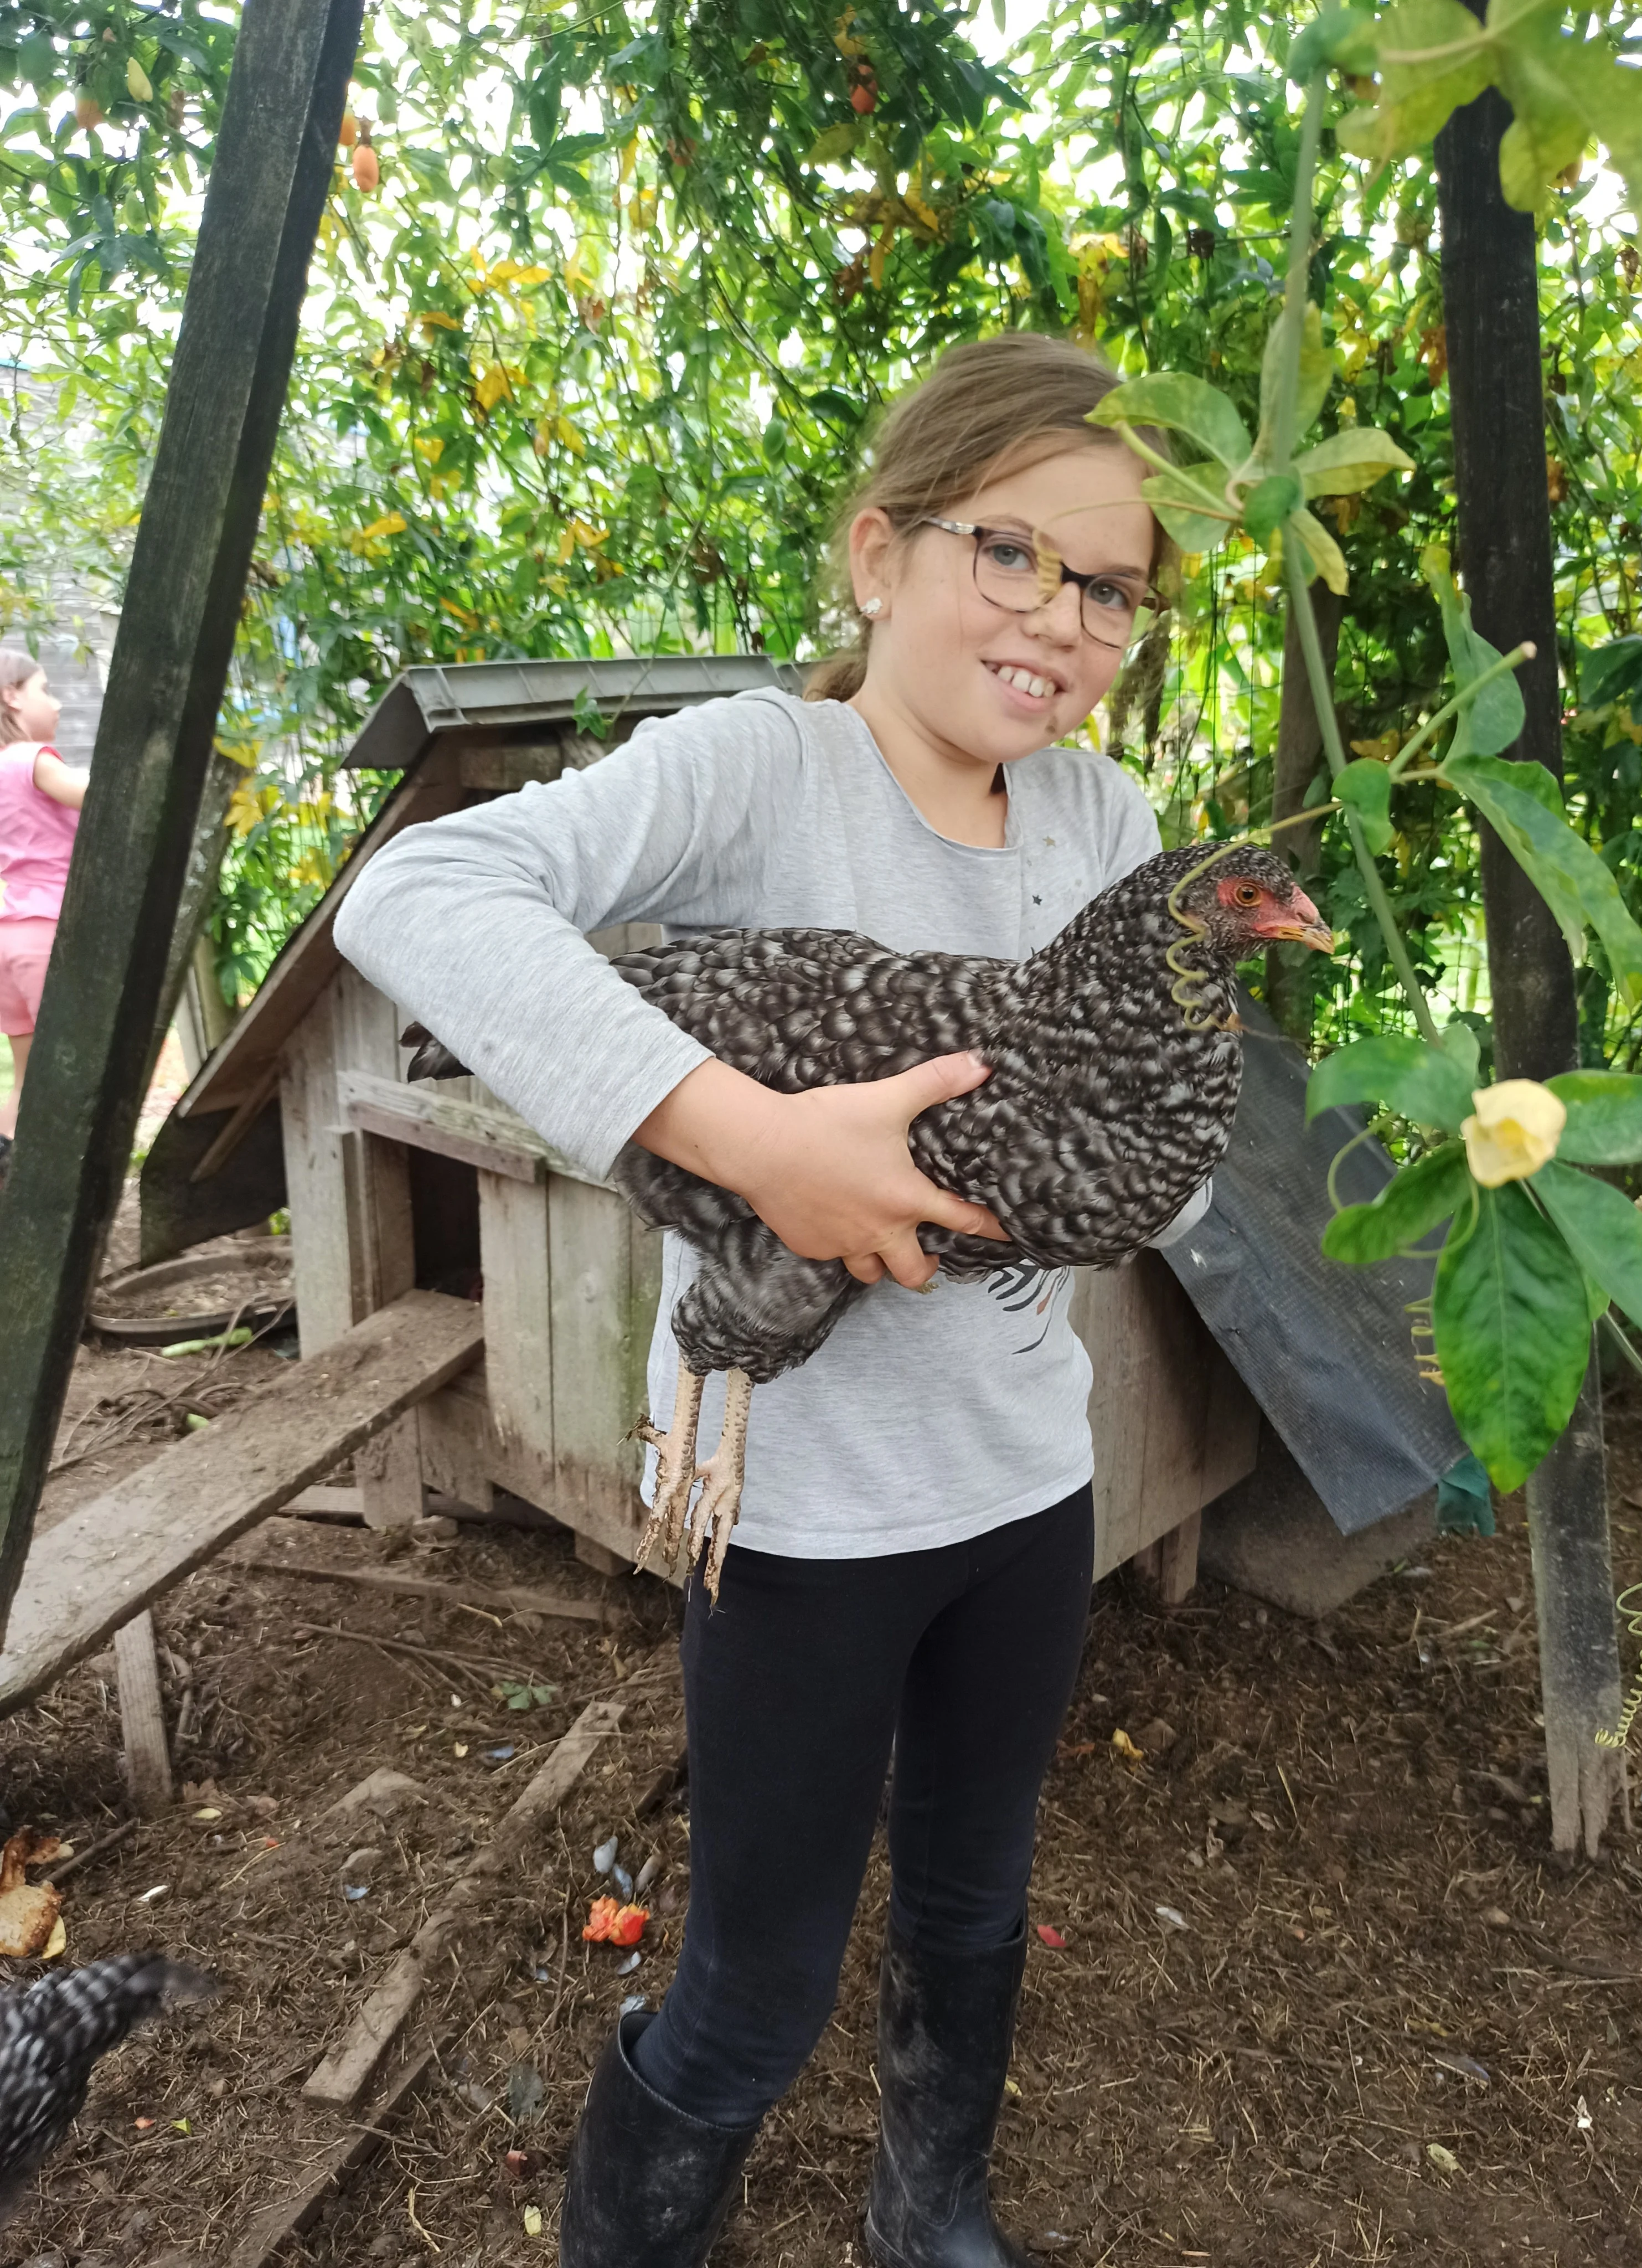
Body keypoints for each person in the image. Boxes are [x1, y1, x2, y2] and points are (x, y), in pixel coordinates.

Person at [334, 332, 1208, 2268]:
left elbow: (1146, 1128)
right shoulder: (759, 770)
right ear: (879, 552)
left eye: (1110, 586)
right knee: (759, 1964)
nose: (1061, 618)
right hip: (803, 1517)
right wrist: (754, 1141)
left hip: (1021, 1488)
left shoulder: (1109, 831)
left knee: (978, 1894)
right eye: (1012, 552)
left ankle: (931, 2207)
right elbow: (419, 896)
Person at [0, 654, 85, 1177]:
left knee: (27, 1077)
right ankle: (55, 1187)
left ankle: (9, 1174)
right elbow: (104, 795)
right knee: (71, 1070)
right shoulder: (29, 757)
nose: (56, 703)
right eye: (45, 690)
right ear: (11, 696)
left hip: (10, 935)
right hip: (52, 930)